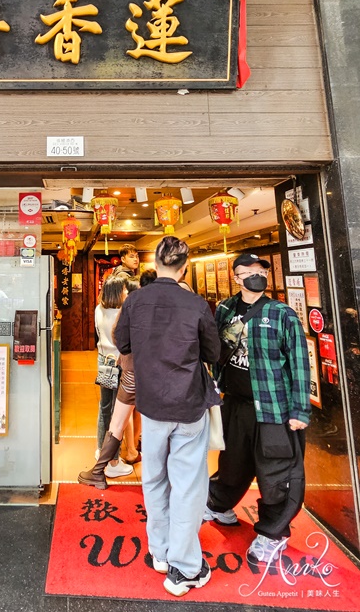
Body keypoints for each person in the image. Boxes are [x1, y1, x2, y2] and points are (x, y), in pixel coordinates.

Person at [114, 236, 221, 597]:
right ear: (185, 267)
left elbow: (123, 344)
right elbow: (213, 351)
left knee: (154, 479)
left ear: (155, 263)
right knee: (188, 485)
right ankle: (186, 568)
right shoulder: (195, 304)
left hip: (152, 406)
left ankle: (160, 553)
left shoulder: (135, 300)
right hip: (189, 405)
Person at [204, 253, 311, 568]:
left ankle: (273, 533)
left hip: (274, 407)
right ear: (236, 277)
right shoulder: (224, 309)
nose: (255, 275)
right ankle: (220, 505)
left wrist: (300, 410)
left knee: (275, 473)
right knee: (232, 462)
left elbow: (300, 364)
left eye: (260, 271)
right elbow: (213, 353)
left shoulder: (282, 314)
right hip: (234, 402)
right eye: (247, 271)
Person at [92, 274, 133, 480]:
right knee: (118, 414)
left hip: (103, 362)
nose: (127, 293)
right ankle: (113, 461)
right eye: (124, 290)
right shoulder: (123, 312)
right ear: (118, 292)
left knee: (104, 409)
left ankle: (101, 450)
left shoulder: (98, 309)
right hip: (119, 364)